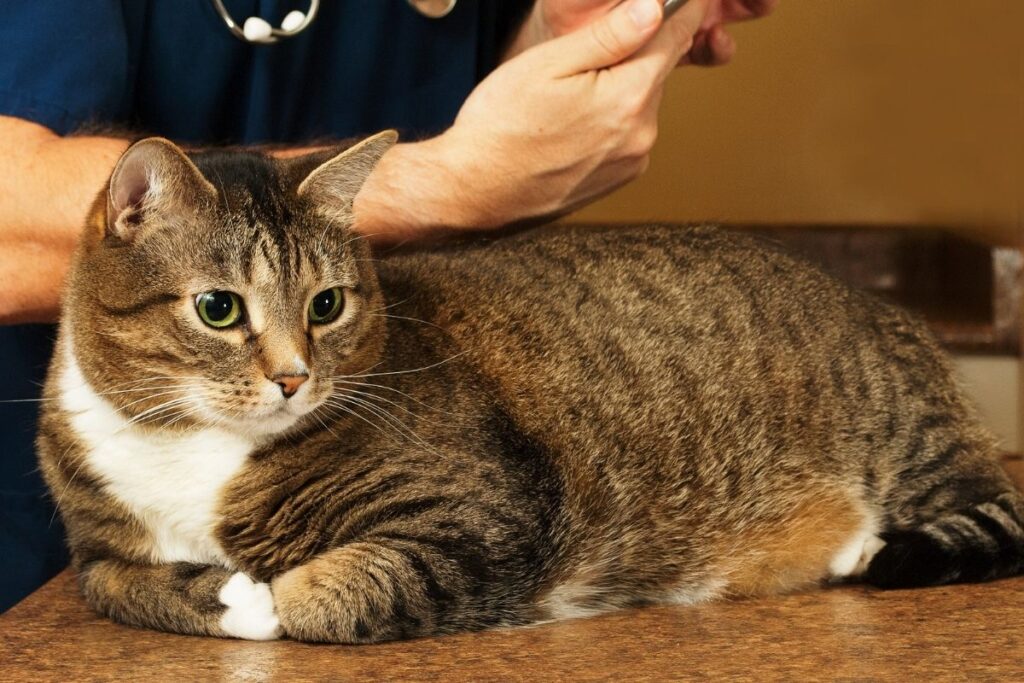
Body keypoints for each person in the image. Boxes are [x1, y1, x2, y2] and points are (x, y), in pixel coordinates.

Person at [0, 0, 775, 611]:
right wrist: (450, 179)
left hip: (377, 474)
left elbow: (485, 179)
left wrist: (562, 43)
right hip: (58, 549)